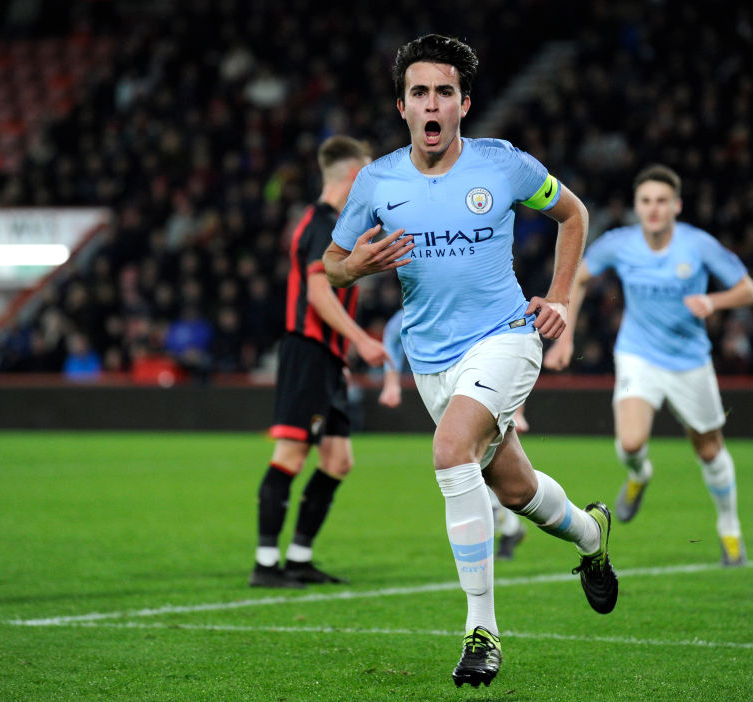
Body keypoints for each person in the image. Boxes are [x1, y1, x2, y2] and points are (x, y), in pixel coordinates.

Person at [323, 34, 617, 689]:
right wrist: (356, 268)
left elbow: (574, 215)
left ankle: (481, 631)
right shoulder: (376, 182)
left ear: (464, 103)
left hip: (507, 337)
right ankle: (592, 538)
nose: (433, 104)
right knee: (516, 490)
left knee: (449, 448)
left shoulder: (502, 165)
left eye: (445, 92)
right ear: (403, 106)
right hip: (432, 364)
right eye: (420, 92)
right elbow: (331, 267)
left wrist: (562, 299)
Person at [544, 164, 753, 568]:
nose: (654, 209)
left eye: (662, 201)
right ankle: (640, 475)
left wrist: (713, 302)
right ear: (636, 207)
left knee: (710, 450)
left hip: (690, 361)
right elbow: (578, 277)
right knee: (629, 443)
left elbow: (750, 290)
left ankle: (730, 531)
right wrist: (567, 335)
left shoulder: (697, 245)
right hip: (638, 355)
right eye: (646, 201)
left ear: (676, 205)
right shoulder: (619, 243)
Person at [250, 135, 391, 589]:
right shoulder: (323, 223)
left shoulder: (335, 226)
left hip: (326, 356)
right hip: (307, 351)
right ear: (353, 175)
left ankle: (298, 557)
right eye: (367, 174)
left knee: (337, 458)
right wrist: (361, 341)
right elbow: (317, 292)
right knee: (291, 453)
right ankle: (266, 564)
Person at [378, 308, 529, 560]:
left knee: (479, 465)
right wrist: (391, 382)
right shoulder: (423, 305)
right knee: (475, 464)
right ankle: (510, 529)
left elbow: (509, 343)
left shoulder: (469, 300)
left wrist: (518, 410)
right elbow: (392, 333)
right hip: (446, 388)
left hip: (481, 386)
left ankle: (501, 537)